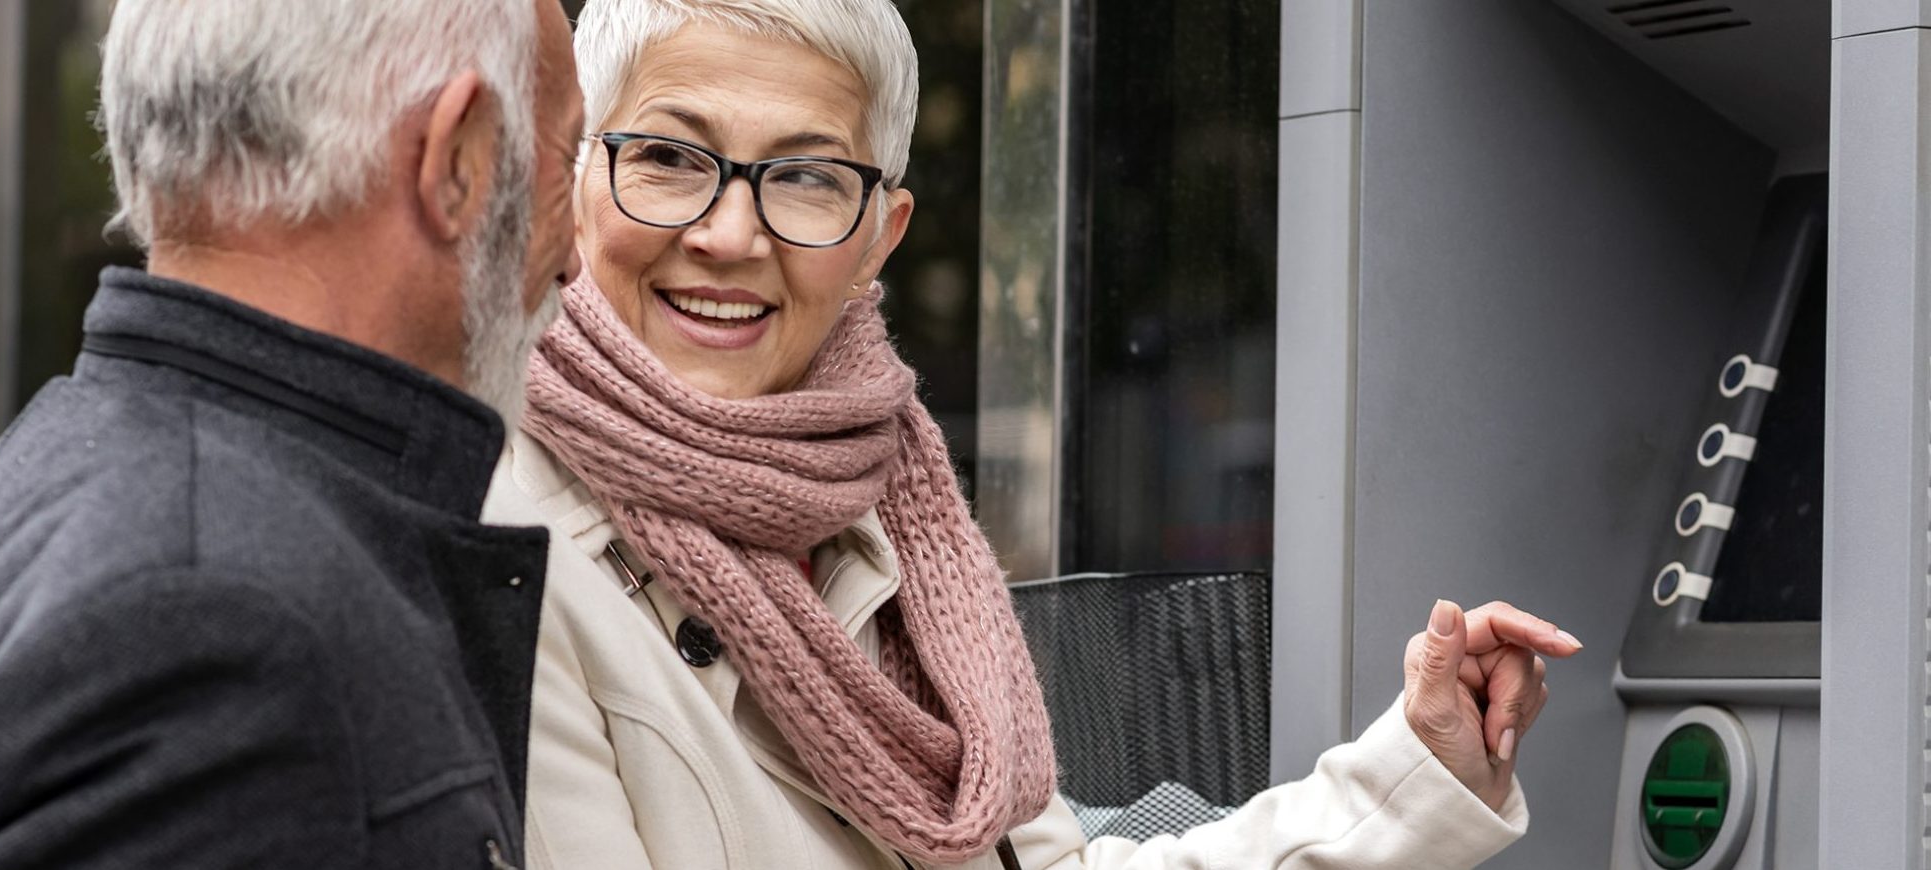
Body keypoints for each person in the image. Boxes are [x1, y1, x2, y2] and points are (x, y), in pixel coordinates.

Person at [480, 1, 1583, 868]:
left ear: (877, 237)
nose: (728, 234)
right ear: (576, 176)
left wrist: (1411, 778)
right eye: (670, 158)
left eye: (807, 179)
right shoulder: (493, 544)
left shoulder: (886, 522)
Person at [0, 1, 583, 867]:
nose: (572, 255)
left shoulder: (107, 487)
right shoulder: (218, 617)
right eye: (565, 157)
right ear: (457, 161)